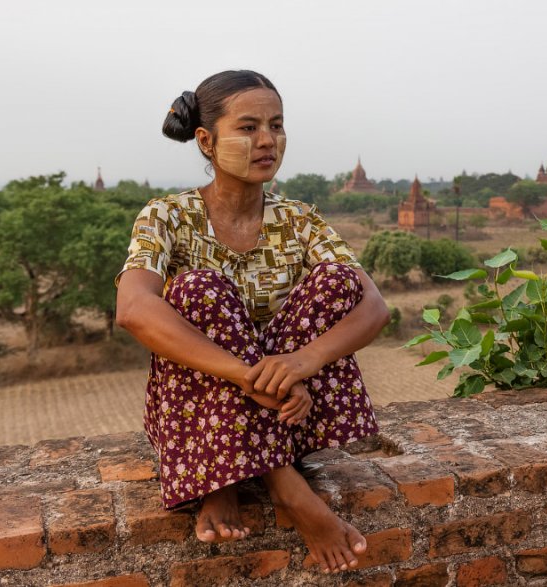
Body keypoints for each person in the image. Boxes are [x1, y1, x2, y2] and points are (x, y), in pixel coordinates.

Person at [114, 70, 390, 574]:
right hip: (203, 411)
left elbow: (374, 305)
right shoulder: (168, 215)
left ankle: (228, 477)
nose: (268, 140)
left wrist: (300, 364)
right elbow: (133, 307)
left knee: (337, 281)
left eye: (277, 125)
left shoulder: (299, 219)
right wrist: (247, 376)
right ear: (206, 140)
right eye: (247, 128)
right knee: (197, 289)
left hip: (292, 407)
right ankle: (288, 487)